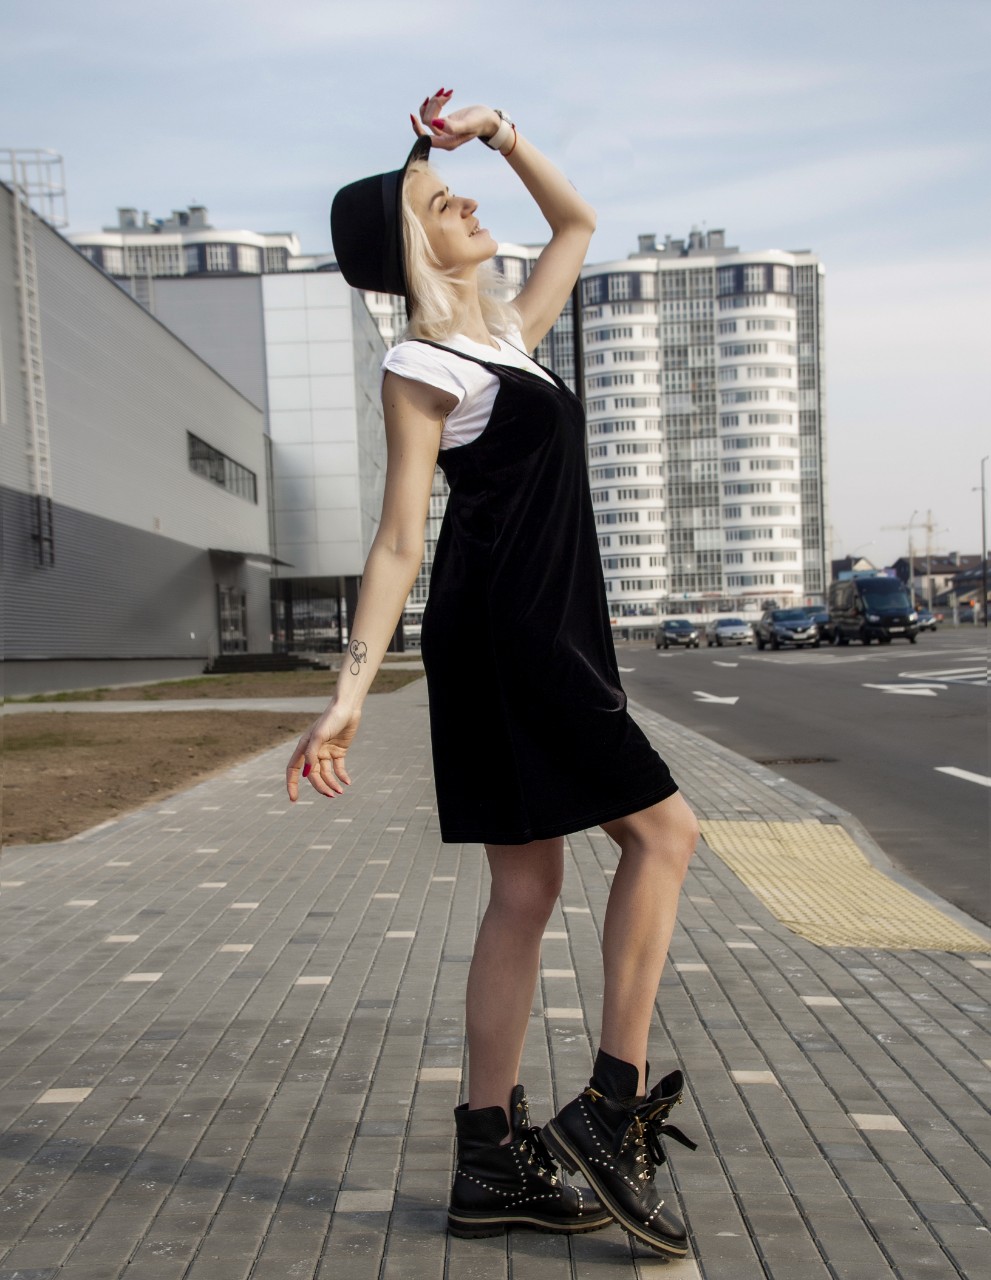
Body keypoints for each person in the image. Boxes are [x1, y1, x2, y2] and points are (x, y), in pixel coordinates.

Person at [286, 88, 700, 1257]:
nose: (464, 202)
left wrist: (500, 134)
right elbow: (397, 540)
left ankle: (489, 1157)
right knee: (666, 835)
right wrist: (349, 692)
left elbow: (576, 222)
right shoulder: (419, 363)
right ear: (412, 246)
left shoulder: (505, 335)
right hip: (513, 636)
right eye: (439, 202)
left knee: (525, 890)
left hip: (544, 629)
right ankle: (609, 1108)